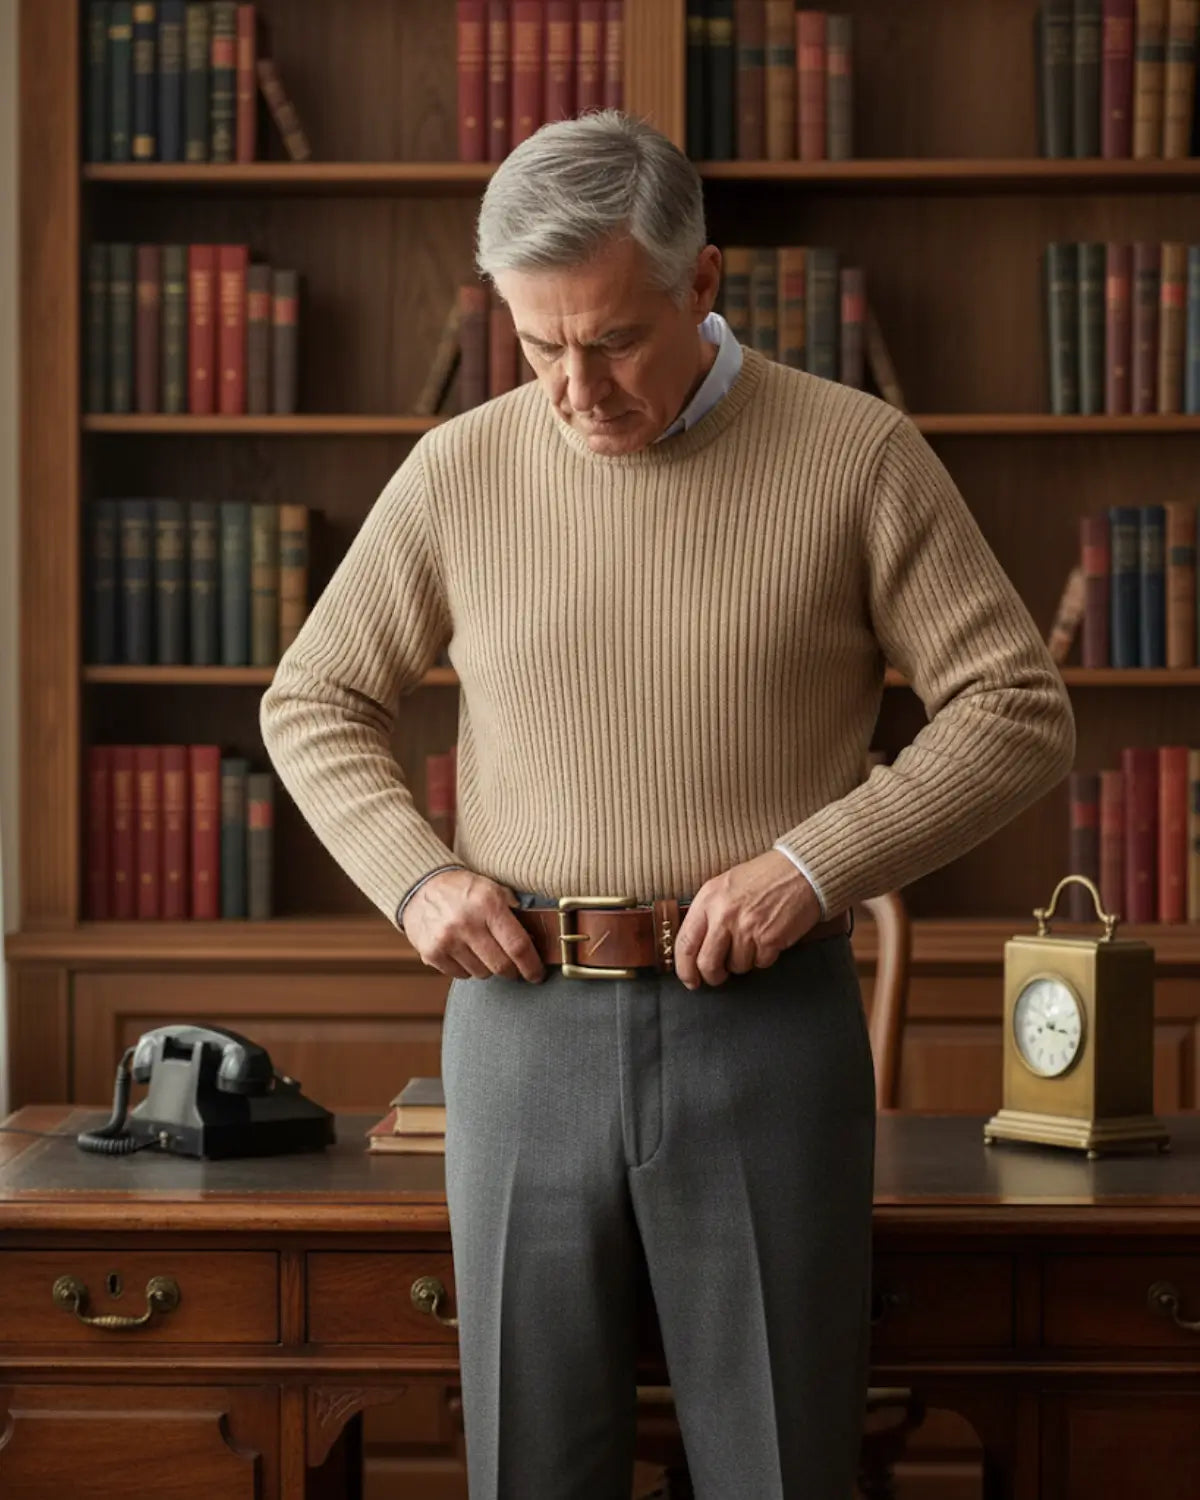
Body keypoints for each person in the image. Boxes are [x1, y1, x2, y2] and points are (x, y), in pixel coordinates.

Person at [261, 110, 1075, 1500]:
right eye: (535, 346)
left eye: (612, 340)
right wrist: (414, 874)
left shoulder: (858, 454)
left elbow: (1017, 710)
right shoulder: (459, 470)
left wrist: (817, 863)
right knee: (530, 1467)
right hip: (518, 1032)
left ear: (704, 284)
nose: (574, 391)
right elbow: (313, 699)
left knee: (780, 1463)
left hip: (764, 1029)